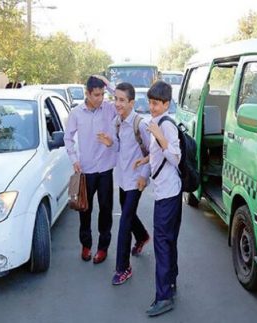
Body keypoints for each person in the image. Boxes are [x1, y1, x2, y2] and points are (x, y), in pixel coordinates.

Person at [139, 81, 182, 317]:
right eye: (151, 103)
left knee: (163, 244)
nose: (152, 107)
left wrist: (159, 136)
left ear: (166, 104)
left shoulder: (166, 126)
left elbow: (175, 156)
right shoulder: (158, 123)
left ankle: (164, 296)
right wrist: (145, 160)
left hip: (168, 194)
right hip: (167, 191)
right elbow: (160, 155)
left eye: (156, 103)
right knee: (168, 241)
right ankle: (171, 284)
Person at [64, 75, 117, 264]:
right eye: (96, 95)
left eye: (102, 94)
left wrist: (108, 84)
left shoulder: (110, 109)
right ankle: (86, 245)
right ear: (87, 93)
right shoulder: (76, 113)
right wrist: (74, 159)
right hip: (86, 169)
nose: (100, 98)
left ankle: (103, 248)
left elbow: (122, 99)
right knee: (85, 210)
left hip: (105, 169)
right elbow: (68, 138)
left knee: (105, 209)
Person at [107, 82, 151, 285]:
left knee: (124, 223)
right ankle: (142, 236)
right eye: (116, 99)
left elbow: (153, 153)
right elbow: (118, 147)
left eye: (122, 100)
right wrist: (109, 143)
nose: (117, 103)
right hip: (123, 179)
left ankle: (123, 268)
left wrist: (144, 175)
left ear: (132, 102)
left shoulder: (140, 124)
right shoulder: (117, 122)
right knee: (128, 213)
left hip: (136, 180)